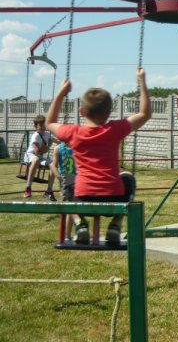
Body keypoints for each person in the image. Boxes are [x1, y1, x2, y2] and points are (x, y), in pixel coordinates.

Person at [46, 68, 151, 245]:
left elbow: (49, 123)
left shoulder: (73, 132)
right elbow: (145, 114)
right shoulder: (114, 130)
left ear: (81, 111)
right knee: (128, 178)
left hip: (82, 198)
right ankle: (115, 224)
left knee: (68, 187)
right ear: (109, 113)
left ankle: (80, 223)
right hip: (114, 198)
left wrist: (61, 93)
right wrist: (141, 81)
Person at [50, 141, 86, 242]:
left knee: (75, 206)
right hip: (65, 180)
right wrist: (59, 177)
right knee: (69, 206)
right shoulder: (58, 149)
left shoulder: (77, 147)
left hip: (77, 179)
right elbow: (53, 165)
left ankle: (75, 232)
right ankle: (68, 235)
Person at [22, 114, 56, 200]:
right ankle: (28, 187)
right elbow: (37, 152)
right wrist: (48, 146)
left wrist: (64, 142)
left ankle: (49, 191)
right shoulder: (36, 136)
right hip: (30, 155)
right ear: (35, 127)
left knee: (53, 164)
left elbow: (54, 140)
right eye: (40, 125)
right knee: (36, 160)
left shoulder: (47, 134)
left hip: (39, 157)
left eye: (44, 125)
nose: (42, 127)